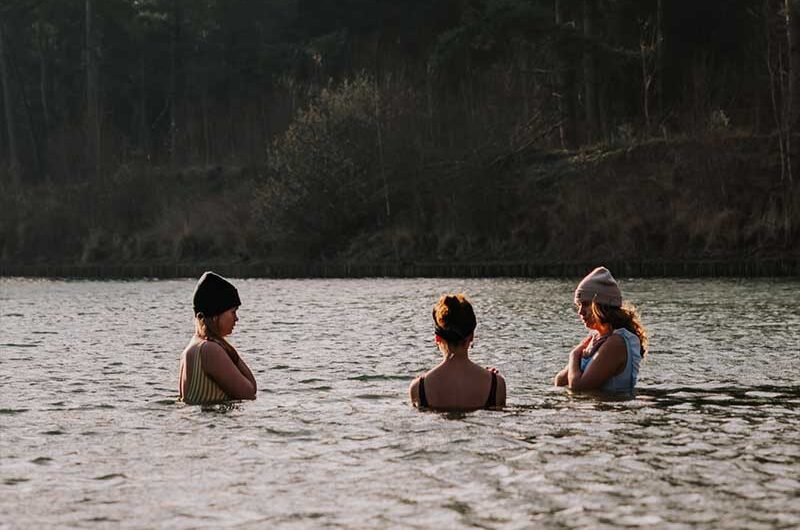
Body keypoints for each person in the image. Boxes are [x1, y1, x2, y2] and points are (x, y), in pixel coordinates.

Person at [554, 266, 648, 393]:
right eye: (578, 305)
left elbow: (578, 387)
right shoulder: (594, 338)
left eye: (586, 304)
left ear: (602, 306)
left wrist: (574, 354)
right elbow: (560, 381)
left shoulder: (617, 342)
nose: (580, 312)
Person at [409, 294, 506, 410]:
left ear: (437, 338)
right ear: (471, 336)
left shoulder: (418, 388)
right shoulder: (497, 385)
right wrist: (489, 377)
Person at [178, 271, 257, 404]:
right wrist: (231, 352)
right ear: (215, 315)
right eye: (233, 312)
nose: (236, 318)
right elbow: (249, 392)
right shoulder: (210, 349)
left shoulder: (193, 345)